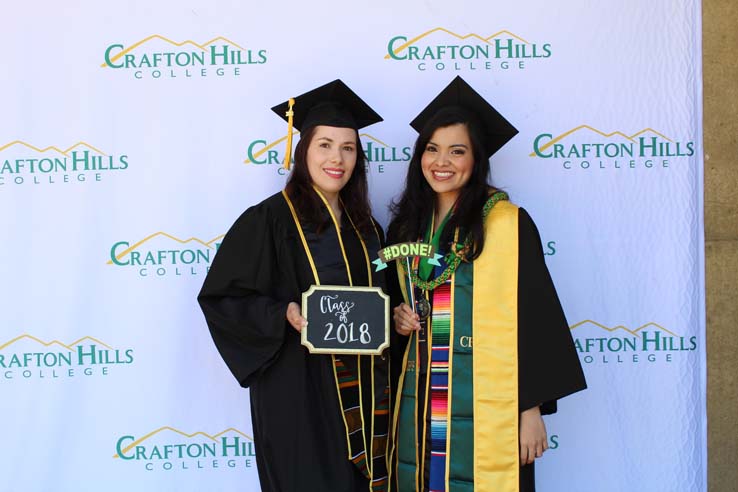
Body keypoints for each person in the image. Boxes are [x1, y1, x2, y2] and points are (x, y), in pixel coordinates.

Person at [387, 76, 587, 492]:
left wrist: (530, 410)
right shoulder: (406, 227)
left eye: (457, 151)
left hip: (487, 406)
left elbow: (535, 317)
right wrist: (398, 318)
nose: (442, 162)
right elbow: (394, 305)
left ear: (476, 159)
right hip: (419, 402)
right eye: (432, 149)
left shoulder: (507, 224)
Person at [198, 80, 392, 492]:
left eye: (348, 147)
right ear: (303, 151)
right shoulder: (267, 220)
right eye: (324, 144)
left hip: (368, 399)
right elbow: (222, 298)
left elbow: (382, 305)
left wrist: (397, 317)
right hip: (298, 396)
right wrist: (281, 312)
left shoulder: (369, 230)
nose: (336, 158)